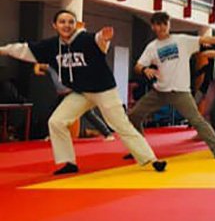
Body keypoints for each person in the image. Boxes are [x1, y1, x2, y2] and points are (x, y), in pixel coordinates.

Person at [0, 10, 166, 175]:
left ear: (75, 24)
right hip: (81, 92)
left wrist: (104, 39)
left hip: (104, 90)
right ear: (54, 25)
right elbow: (23, 49)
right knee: (56, 121)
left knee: (120, 124)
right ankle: (69, 162)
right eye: (62, 22)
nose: (66, 25)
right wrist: (3, 50)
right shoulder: (50, 46)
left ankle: (152, 159)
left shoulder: (85, 39)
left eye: (70, 22)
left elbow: (99, 41)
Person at [127, 12, 215, 159]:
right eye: (158, 24)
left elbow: (204, 39)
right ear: (153, 27)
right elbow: (138, 66)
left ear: (169, 25)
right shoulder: (152, 47)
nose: (162, 27)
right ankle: (140, 149)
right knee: (134, 115)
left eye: (165, 24)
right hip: (159, 91)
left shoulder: (181, 40)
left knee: (196, 120)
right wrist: (145, 69)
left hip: (180, 92)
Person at [38, 63, 114, 140]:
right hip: (61, 95)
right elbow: (38, 67)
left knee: (89, 114)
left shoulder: (66, 66)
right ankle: (53, 135)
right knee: (53, 115)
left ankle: (107, 133)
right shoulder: (50, 67)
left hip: (73, 93)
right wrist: (37, 67)